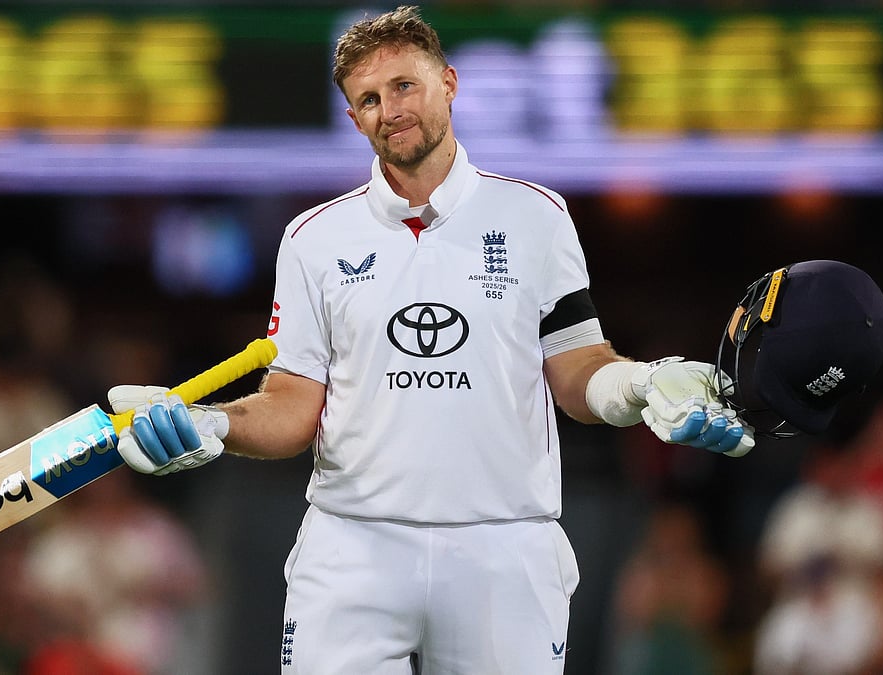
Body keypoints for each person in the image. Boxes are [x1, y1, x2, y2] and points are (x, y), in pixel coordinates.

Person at [108, 6, 751, 673]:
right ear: (354, 118)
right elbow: (293, 404)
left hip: (504, 550)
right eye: (368, 99)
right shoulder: (313, 239)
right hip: (352, 548)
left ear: (448, 82)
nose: (389, 109)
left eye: (404, 86)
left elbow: (579, 370)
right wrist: (211, 424)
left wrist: (643, 385)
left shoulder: (537, 216)